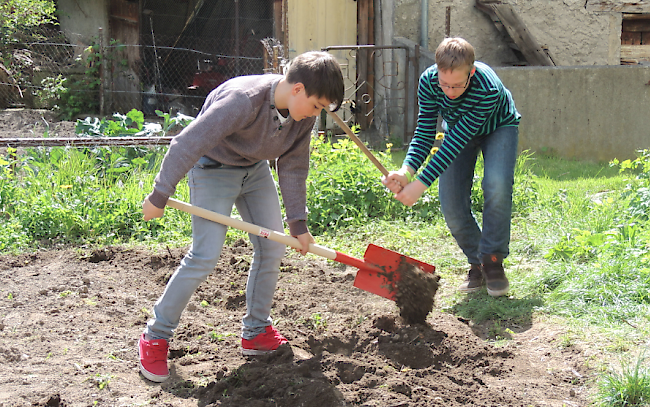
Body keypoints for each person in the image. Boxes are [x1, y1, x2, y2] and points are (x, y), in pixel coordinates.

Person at [138, 51, 344, 382]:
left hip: (254, 171)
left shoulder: (302, 116)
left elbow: (292, 166)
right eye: (317, 105)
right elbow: (187, 144)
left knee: (273, 246)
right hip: (213, 168)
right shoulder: (242, 101)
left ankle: (256, 332)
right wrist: (159, 196)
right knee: (205, 256)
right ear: (298, 89)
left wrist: (298, 225)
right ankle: (155, 336)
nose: (316, 113)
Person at [382, 37, 520, 298]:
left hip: (499, 127)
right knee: (451, 203)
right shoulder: (429, 81)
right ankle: (477, 261)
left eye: (457, 85)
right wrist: (406, 171)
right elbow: (424, 132)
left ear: (472, 72)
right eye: (445, 84)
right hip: (458, 129)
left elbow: (455, 142)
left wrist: (420, 185)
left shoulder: (486, 88)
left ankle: (493, 263)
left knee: (497, 185)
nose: (450, 92)